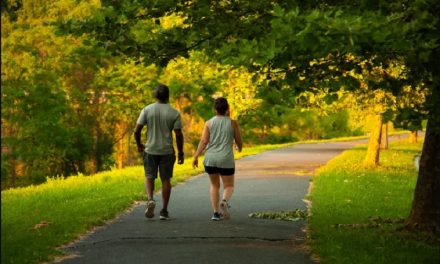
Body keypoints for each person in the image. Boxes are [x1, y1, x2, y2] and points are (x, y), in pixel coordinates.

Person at [134, 84, 184, 220]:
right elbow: (178, 134)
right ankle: (164, 211)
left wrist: (139, 145)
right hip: (167, 151)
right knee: (165, 179)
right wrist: (180, 152)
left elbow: (137, 130)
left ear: (155, 96)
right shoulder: (174, 113)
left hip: (150, 149)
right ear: (168, 96)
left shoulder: (147, 110)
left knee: (149, 176)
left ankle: (150, 199)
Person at [192, 97, 243, 221]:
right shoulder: (233, 123)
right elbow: (238, 140)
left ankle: (215, 213)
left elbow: (204, 141)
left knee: (214, 186)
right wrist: (239, 147)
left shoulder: (209, 123)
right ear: (227, 109)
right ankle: (224, 201)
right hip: (226, 159)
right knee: (229, 186)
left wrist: (196, 156)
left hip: (211, 159)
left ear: (215, 109)